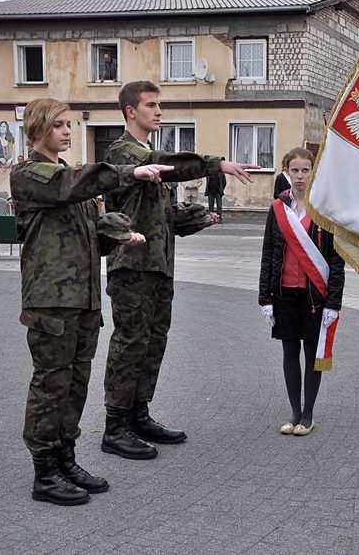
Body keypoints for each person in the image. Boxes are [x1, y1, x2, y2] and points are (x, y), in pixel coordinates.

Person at [10, 97, 171, 506]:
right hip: (50, 301)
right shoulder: (30, 174)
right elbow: (71, 185)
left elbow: (88, 238)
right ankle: (44, 471)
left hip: (83, 301)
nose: (67, 131)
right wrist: (128, 171)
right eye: (58, 125)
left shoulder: (70, 179)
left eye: (68, 124)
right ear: (38, 128)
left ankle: (66, 459)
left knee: (75, 384)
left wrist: (116, 236)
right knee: (51, 385)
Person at [101, 80, 257, 461]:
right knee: (130, 343)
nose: (159, 111)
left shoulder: (147, 157)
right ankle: (115, 426)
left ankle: (139, 414)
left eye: (159, 104)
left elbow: (163, 216)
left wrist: (198, 217)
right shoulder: (123, 152)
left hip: (158, 267)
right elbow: (171, 165)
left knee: (153, 341)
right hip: (131, 267)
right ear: (130, 112)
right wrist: (216, 164)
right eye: (151, 105)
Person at [259, 147, 344, 436]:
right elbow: (268, 253)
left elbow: (336, 260)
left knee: (311, 353)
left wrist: (334, 302)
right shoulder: (277, 208)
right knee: (289, 352)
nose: (300, 176)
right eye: (294, 170)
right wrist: (265, 297)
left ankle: (308, 415)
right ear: (286, 172)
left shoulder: (323, 210)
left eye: (305, 170)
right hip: (284, 293)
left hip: (314, 296)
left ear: (313, 172)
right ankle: (294, 412)